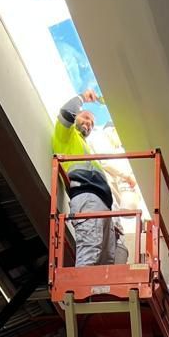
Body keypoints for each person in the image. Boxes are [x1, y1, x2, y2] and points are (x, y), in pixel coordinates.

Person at [51, 88, 128, 267]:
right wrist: (83, 97)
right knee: (90, 251)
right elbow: (66, 112)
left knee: (106, 261)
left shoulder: (87, 149)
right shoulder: (66, 136)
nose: (89, 124)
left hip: (103, 204)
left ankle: (99, 294)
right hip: (87, 197)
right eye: (85, 118)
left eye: (92, 123)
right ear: (76, 117)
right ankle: (80, 295)